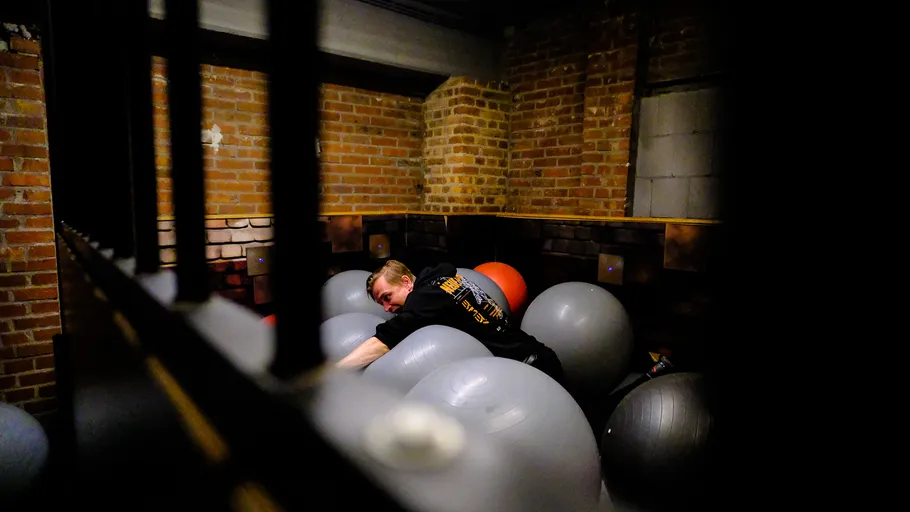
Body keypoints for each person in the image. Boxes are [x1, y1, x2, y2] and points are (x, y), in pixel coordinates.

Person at [335, 260, 565, 384]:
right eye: (381, 304)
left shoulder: (424, 298)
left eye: (387, 297)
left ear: (406, 282)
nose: (387, 308)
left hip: (531, 372)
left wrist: (334, 372)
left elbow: (385, 340)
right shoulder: (442, 281)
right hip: (537, 357)